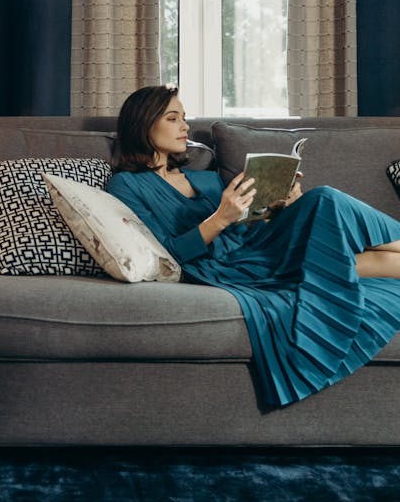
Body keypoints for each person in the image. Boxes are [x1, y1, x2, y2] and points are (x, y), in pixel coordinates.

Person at [107, 84, 400, 407]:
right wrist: (220, 218)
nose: (185, 127)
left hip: (258, 242)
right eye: (173, 118)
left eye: (184, 118)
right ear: (143, 123)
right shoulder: (126, 184)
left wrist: (281, 206)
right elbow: (167, 255)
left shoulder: (204, 178)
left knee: (318, 200)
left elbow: (246, 225)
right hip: (223, 266)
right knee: (329, 202)